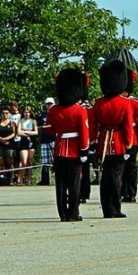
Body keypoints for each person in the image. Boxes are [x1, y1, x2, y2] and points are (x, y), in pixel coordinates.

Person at [92, 60, 135, 218]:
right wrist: (128, 144)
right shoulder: (124, 103)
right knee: (116, 178)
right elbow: (128, 126)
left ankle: (106, 209)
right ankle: (115, 208)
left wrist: (92, 143)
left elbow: (94, 126)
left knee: (105, 178)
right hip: (118, 143)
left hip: (103, 142)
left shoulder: (98, 103)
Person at [47, 68, 90, 222]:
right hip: (74, 151)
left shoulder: (54, 110)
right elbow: (84, 133)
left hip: (59, 150)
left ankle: (63, 213)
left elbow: (50, 131)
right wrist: (84, 151)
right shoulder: (80, 111)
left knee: (60, 185)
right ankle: (73, 213)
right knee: (74, 185)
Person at [121, 66, 138, 204]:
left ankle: (130, 193)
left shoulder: (135, 102)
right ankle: (121, 192)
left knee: (131, 167)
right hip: (119, 138)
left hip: (132, 138)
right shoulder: (118, 101)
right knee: (120, 167)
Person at [0, 108, 16, 186]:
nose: (5, 114)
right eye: (3, 113)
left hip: (9, 144)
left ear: (9, 114)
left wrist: (6, 138)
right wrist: (1, 139)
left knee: (10, 161)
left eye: (6, 113)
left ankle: (11, 179)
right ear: (1, 114)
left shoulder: (12, 123)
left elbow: (14, 133)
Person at [16, 106, 38, 185]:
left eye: (28, 112)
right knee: (24, 161)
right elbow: (18, 133)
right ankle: (20, 179)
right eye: (25, 112)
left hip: (32, 142)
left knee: (30, 160)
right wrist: (28, 132)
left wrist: (25, 131)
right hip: (24, 142)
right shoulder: (20, 121)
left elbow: (36, 132)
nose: (27, 114)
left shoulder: (33, 121)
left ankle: (29, 179)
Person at [37, 98, 56, 185]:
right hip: (44, 140)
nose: (49, 105)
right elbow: (40, 128)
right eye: (48, 104)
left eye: (51, 104)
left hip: (54, 139)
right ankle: (45, 180)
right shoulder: (42, 115)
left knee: (56, 160)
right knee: (45, 161)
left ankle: (59, 179)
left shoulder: (56, 113)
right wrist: (39, 139)